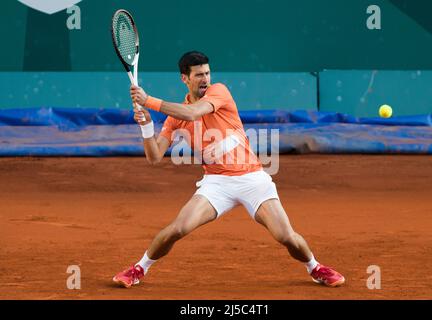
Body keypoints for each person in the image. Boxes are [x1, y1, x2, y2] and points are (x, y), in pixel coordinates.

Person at [113, 51, 345, 288]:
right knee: (178, 228)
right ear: (185, 78)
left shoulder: (219, 91)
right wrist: (146, 125)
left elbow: (194, 112)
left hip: (252, 178)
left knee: (285, 236)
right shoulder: (175, 118)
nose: (205, 79)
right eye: (199, 75)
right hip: (216, 184)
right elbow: (154, 156)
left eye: (207, 73)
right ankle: (139, 268)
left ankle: (315, 267)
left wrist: (148, 100)